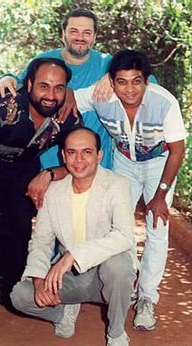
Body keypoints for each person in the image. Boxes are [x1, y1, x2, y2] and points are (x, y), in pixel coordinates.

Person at [0, 57, 83, 333]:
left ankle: (10, 292)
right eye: (43, 86)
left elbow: (80, 155)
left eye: (58, 88)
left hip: (23, 172)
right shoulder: (5, 107)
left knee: (18, 231)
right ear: (29, 85)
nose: (50, 95)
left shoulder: (67, 115)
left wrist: (50, 174)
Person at [74, 49, 186, 331]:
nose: (130, 89)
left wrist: (160, 196)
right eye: (122, 82)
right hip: (125, 162)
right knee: (116, 226)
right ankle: (120, 286)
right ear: (112, 82)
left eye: (136, 81)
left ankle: (147, 298)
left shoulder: (164, 103)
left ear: (147, 81)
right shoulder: (102, 95)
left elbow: (177, 150)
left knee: (156, 227)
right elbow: (67, 99)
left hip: (159, 164)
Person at [11, 127, 136, 346]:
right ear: (63, 156)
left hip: (104, 276)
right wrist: (39, 282)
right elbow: (41, 241)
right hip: (69, 278)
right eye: (71, 152)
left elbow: (124, 236)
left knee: (119, 266)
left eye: (87, 152)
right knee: (20, 295)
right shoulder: (53, 192)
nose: (78, 160)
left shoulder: (117, 185)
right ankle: (63, 314)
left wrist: (72, 255)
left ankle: (116, 333)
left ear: (99, 155)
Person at [0, 8, 114, 173]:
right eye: (73, 31)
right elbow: (19, 86)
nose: (80, 37)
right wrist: (5, 78)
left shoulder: (107, 64)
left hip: (97, 165)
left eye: (87, 32)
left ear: (94, 37)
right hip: (49, 164)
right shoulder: (44, 61)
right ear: (63, 34)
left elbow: (143, 81)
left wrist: (113, 76)